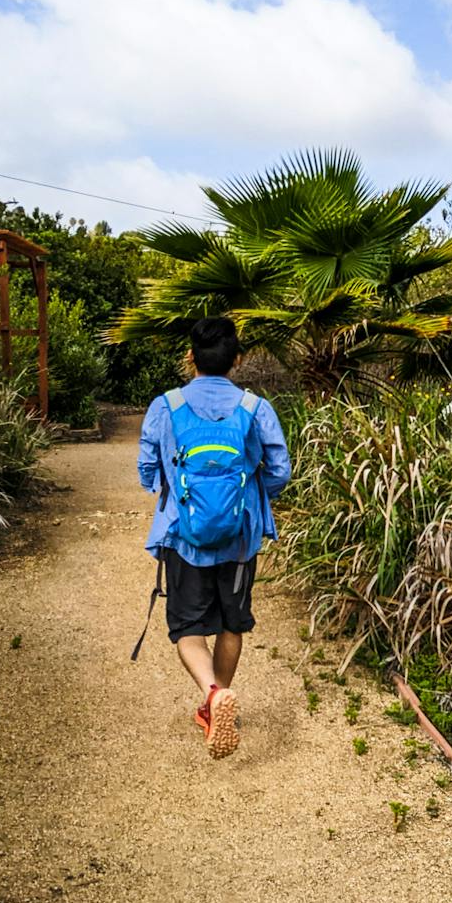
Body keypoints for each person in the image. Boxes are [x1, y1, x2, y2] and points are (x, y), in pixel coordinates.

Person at [137, 317, 291, 759]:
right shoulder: (255, 408)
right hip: (240, 539)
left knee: (187, 630)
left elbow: (147, 472)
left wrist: (176, 491)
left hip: (184, 537)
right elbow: (279, 471)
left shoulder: (165, 406)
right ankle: (219, 699)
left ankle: (211, 695)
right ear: (237, 359)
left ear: (191, 358)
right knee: (231, 623)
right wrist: (248, 496)